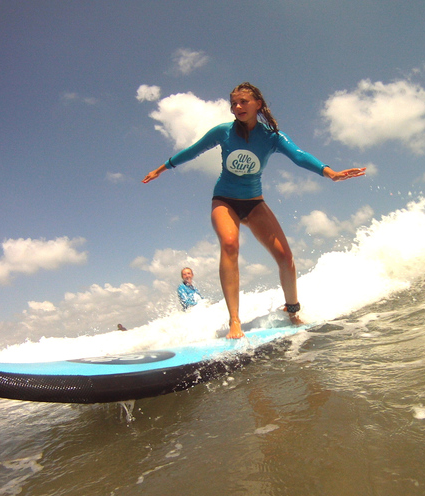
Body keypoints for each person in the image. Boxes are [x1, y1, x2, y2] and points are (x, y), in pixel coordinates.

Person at [143, 82, 365, 338]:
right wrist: (162, 168)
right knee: (229, 244)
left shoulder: (271, 137)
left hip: (254, 202)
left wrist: (330, 173)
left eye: (243, 102)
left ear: (258, 104)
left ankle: (293, 311)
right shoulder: (223, 132)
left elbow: (299, 155)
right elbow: (194, 150)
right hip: (224, 200)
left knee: (286, 258)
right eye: (234, 103)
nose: (237, 107)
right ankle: (234, 322)